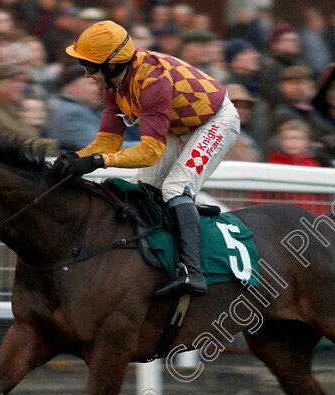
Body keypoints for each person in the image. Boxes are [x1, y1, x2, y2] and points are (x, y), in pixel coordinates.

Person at [59, 20, 240, 296]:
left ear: (111, 65)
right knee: (139, 189)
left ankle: (193, 273)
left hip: (216, 121)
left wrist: (98, 161)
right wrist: (77, 157)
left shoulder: (153, 80)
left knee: (175, 188)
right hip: (179, 128)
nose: (86, 74)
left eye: (89, 66)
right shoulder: (113, 88)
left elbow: (149, 152)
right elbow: (107, 141)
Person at [269, 65, 335, 167]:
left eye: (303, 83)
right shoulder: (281, 113)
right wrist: (323, 145)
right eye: (293, 83)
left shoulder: (313, 113)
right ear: (282, 87)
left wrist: (323, 144)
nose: (299, 87)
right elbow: (304, 148)